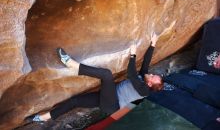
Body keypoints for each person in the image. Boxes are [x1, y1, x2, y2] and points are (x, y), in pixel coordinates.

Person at [30, 32, 163, 122]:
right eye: (153, 74)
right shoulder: (144, 79)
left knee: (106, 75)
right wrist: (153, 44)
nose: (150, 74)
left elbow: (131, 74)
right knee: (74, 102)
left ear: (150, 84)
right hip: (107, 97)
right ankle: (42, 118)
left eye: (152, 77)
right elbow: (146, 63)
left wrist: (133, 55)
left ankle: (73, 65)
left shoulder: (144, 91)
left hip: (113, 105)